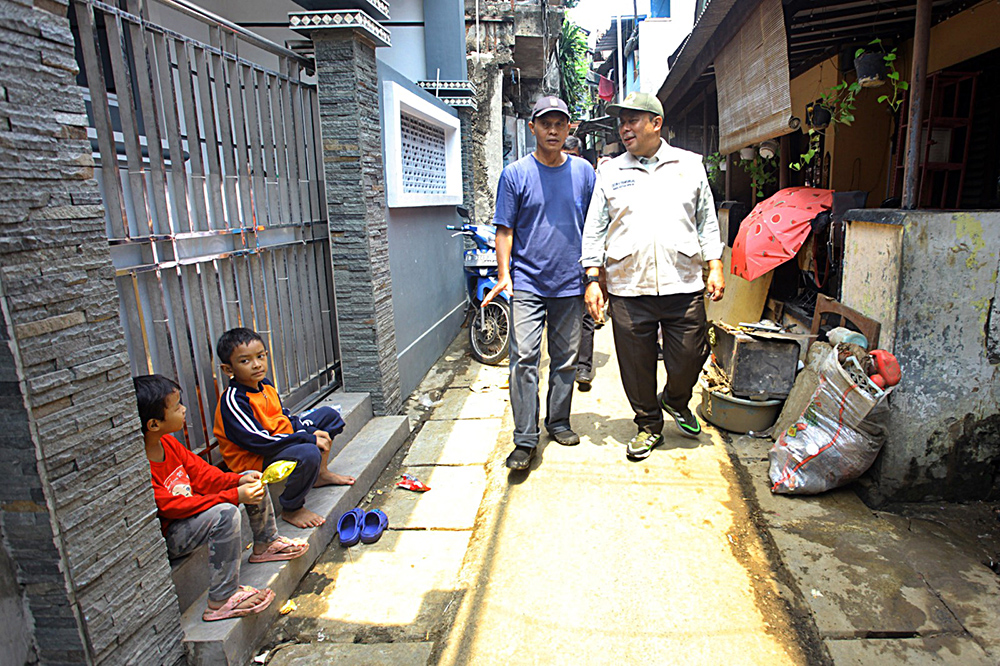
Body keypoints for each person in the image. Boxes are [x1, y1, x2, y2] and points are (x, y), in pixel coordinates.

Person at [582, 92, 725, 460]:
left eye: (633, 120)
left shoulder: (689, 165)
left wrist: (715, 264)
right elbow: (595, 228)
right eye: (621, 122)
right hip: (629, 284)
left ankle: (676, 400)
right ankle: (648, 425)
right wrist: (593, 278)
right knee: (636, 365)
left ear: (656, 123)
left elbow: (706, 220)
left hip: (683, 281)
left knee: (692, 355)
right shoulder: (610, 171)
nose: (624, 128)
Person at [135, 374, 309, 622]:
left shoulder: (170, 445)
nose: (184, 409)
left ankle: (266, 543)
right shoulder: (141, 468)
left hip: (192, 515)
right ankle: (221, 600)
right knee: (226, 514)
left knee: (251, 477)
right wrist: (234, 496)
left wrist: (238, 482)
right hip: (173, 534)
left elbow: (205, 476)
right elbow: (172, 507)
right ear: (154, 424)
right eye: (177, 407)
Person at [482, 96, 596, 470]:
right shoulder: (515, 174)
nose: (552, 130)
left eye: (559, 123)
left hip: (570, 283)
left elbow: (595, 228)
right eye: (545, 123)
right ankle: (525, 439)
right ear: (532, 128)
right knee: (524, 358)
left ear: (569, 128)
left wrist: (597, 277)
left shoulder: (584, 172)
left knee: (565, 360)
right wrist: (504, 275)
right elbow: (505, 230)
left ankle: (558, 421)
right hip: (527, 283)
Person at [214, 327, 354, 528]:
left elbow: (283, 417)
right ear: (228, 369)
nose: (256, 365)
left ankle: (320, 474)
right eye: (245, 361)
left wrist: (307, 431)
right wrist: (307, 438)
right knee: (308, 452)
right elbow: (259, 441)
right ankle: (292, 508)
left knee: (328, 417)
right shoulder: (234, 401)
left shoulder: (265, 385)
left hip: (279, 440)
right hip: (256, 459)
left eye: (260, 356)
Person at [561, 135, 600, 392]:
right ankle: (567, 362)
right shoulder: (552, 177)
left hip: (585, 256)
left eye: (575, 156)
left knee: (586, 315)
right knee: (563, 316)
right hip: (559, 261)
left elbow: (598, 217)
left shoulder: (587, 177)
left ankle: (583, 366)